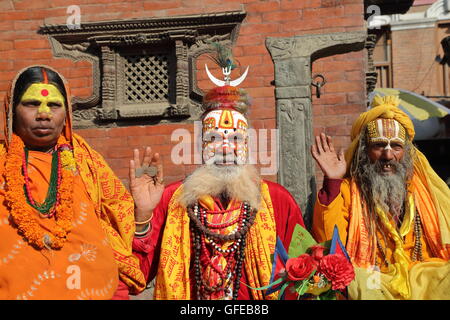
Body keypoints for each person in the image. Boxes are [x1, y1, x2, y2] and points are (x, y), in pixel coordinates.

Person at [130, 63, 305, 300]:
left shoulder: (277, 200)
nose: (225, 147)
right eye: (213, 138)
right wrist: (142, 215)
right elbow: (135, 277)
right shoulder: (174, 199)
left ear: (248, 144)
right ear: (201, 145)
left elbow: (305, 276)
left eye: (235, 138)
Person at [0, 66, 145, 300]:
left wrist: (144, 210)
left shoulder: (87, 162)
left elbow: (121, 235)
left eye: (54, 105)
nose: (44, 114)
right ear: (11, 111)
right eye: (32, 104)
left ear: (66, 113)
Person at [311, 95, 450, 299]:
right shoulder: (349, 190)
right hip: (373, 276)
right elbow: (329, 241)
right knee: (356, 282)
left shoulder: (422, 190)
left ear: (406, 152)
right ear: (364, 151)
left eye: (396, 146)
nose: (388, 156)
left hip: (419, 275)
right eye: (378, 145)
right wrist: (333, 181)